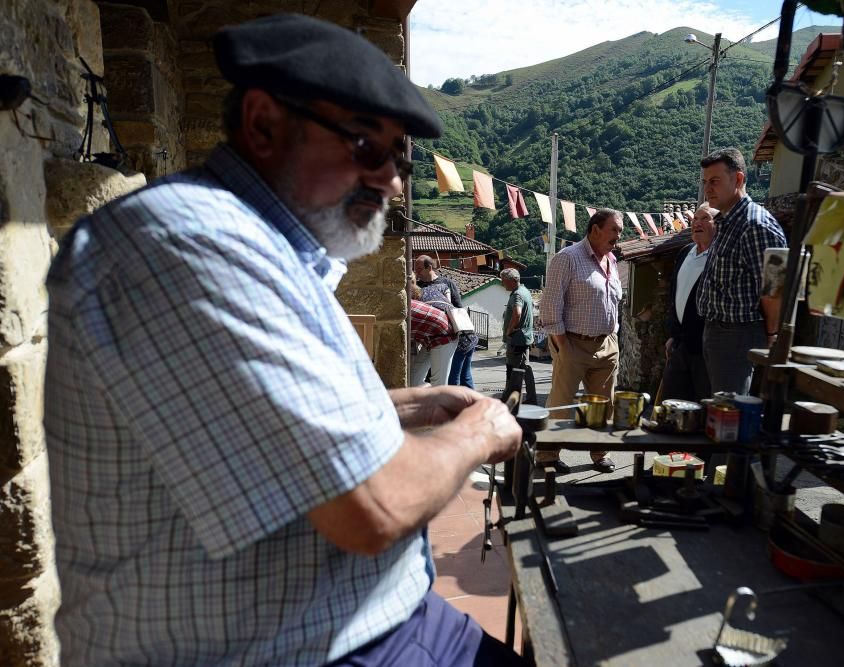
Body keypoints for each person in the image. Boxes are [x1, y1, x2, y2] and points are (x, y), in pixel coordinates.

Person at [44, 14, 525, 667]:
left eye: (398, 156)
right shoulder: (188, 240)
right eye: (366, 147)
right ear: (264, 122)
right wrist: (482, 427)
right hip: (295, 648)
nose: (391, 180)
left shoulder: (261, 247)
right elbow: (373, 509)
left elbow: (257, 418)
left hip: (370, 619)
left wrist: (407, 407)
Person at [538, 209, 623, 474]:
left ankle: (600, 452)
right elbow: (551, 305)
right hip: (573, 342)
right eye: (615, 230)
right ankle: (548, 455)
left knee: (603, 403)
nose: (619, 236)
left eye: (620, 231)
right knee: (562, 403)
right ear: (595, 229)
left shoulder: (611, 260)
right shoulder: (567, 258)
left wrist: (613, 335)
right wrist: (563, 345)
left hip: (607, 344)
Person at [696, 148, 787, 395]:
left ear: (738, 179)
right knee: (715, 410)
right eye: (705, 182)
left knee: (729, 414)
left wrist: (772, 335)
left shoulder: (756, 225)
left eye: (714, 181)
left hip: (738, 336)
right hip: (717, 331)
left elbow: (775, 289)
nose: (707, 189)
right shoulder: (727, 220)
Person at [657, 203, 717, 404]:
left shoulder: (719, 258)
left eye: (705, 218)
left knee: (702, 405)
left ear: (719, 225)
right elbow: (675, 296)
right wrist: (673, 335)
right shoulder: (685, 252)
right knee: (671, 403)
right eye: (695, 219)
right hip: (680, 346)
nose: (697, 223)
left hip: (706, 349)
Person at [414, 255, 464, 386]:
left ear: (429, 267)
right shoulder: (417, 287)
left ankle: (453, 402)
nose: (416, 272)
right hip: (429, 338)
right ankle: (432, 398)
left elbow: (458, 308)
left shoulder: (446, 283)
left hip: (447, 334)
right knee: (417, 377)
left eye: (418, 269)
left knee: (446, 378)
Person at [408, 272, 456, 388]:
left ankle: (442, 402)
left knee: (438, 383)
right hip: (432, 338)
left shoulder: (408, 306)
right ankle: (429, 398)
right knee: (414, 378)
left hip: (445, 337)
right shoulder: (425, 294)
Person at [501, 267, 534, 390]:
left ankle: (510, 397)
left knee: (513, 370)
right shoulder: (525, 290)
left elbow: (517, 313)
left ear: (513, 280)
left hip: (517, 339)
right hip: (524, 337)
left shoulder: (517, 294)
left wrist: (509, 330)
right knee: (525, 368)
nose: (502, 283)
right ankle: (531, 397)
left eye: (504, 280)